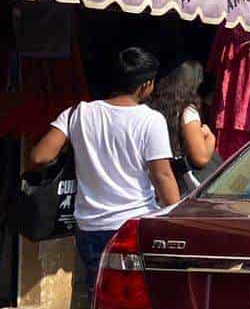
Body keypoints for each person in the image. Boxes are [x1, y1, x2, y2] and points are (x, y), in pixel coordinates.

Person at [27, 47, 181, 282]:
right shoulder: (150, 120)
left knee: (98, 298)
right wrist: (178, 220)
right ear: (146, 85)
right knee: (136, 300)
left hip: (89, 227)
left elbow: (39, 156)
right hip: (132, 226)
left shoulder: (78, 113)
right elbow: (163, 176)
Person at [149, 60, 216, 195]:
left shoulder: (151, 107)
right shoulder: (187, 112)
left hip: (152, 184)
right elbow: (200, 158)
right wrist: (210, 137)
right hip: (176, 186)